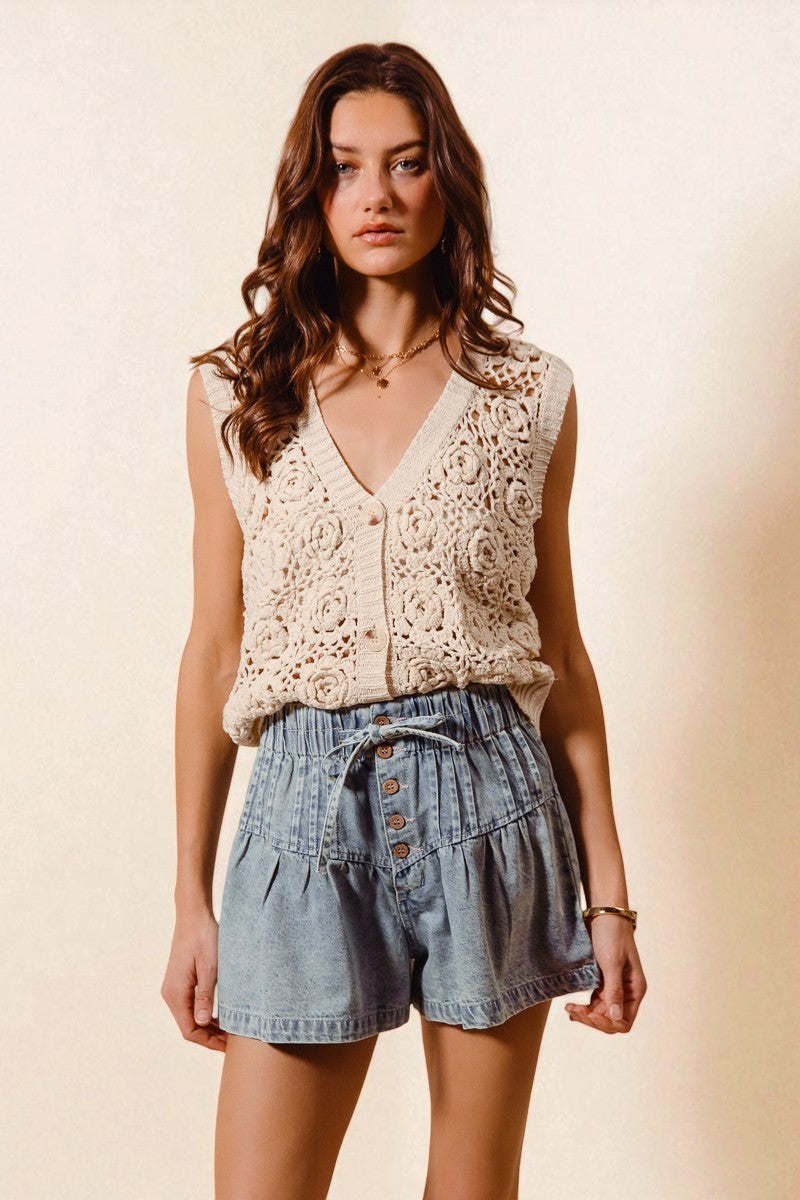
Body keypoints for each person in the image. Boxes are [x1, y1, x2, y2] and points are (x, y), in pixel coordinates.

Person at [161, 40, 647, 1200]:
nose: (374, 195)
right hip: (296, 811)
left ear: (448, 181)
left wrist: (611, 897)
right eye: (343, 168)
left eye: (405, 163)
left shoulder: (529, 395)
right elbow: (214, 650)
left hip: (488, 794)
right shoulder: (233, 394)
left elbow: (561, 655)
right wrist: (189, 895)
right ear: (309, 192)